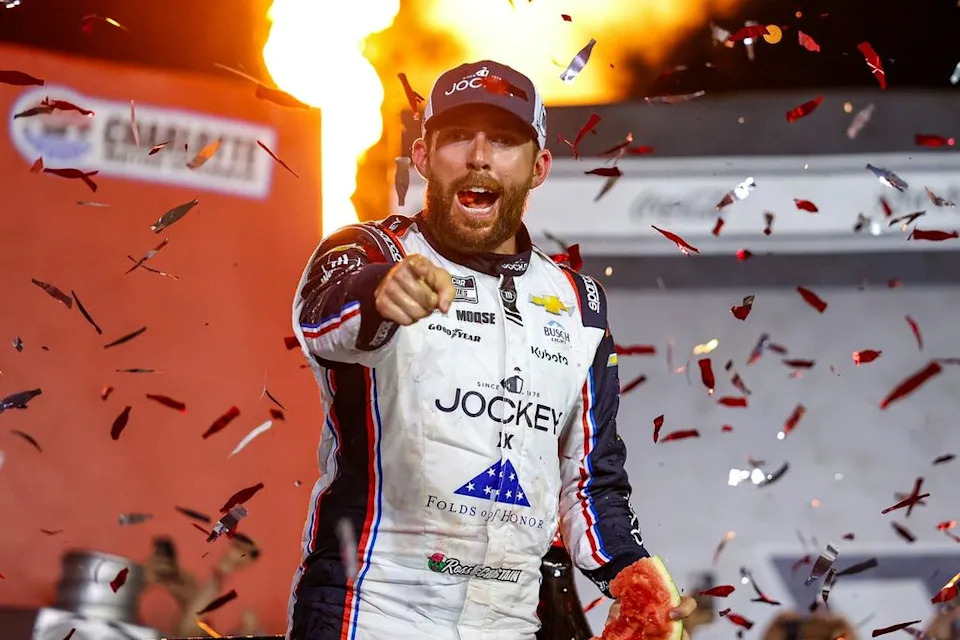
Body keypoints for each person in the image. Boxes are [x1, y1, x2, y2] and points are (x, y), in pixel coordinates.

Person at [287, 59, 696, 640]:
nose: (479, 156)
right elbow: (324, 323)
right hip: (367, 613)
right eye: (458, 136)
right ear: (423, 156)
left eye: (504, 140)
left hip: (509, 625)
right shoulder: (371, 251)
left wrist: (632, 578)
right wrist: (382, 294)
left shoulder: (579, 302)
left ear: (539, 167)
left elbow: (590, 482)